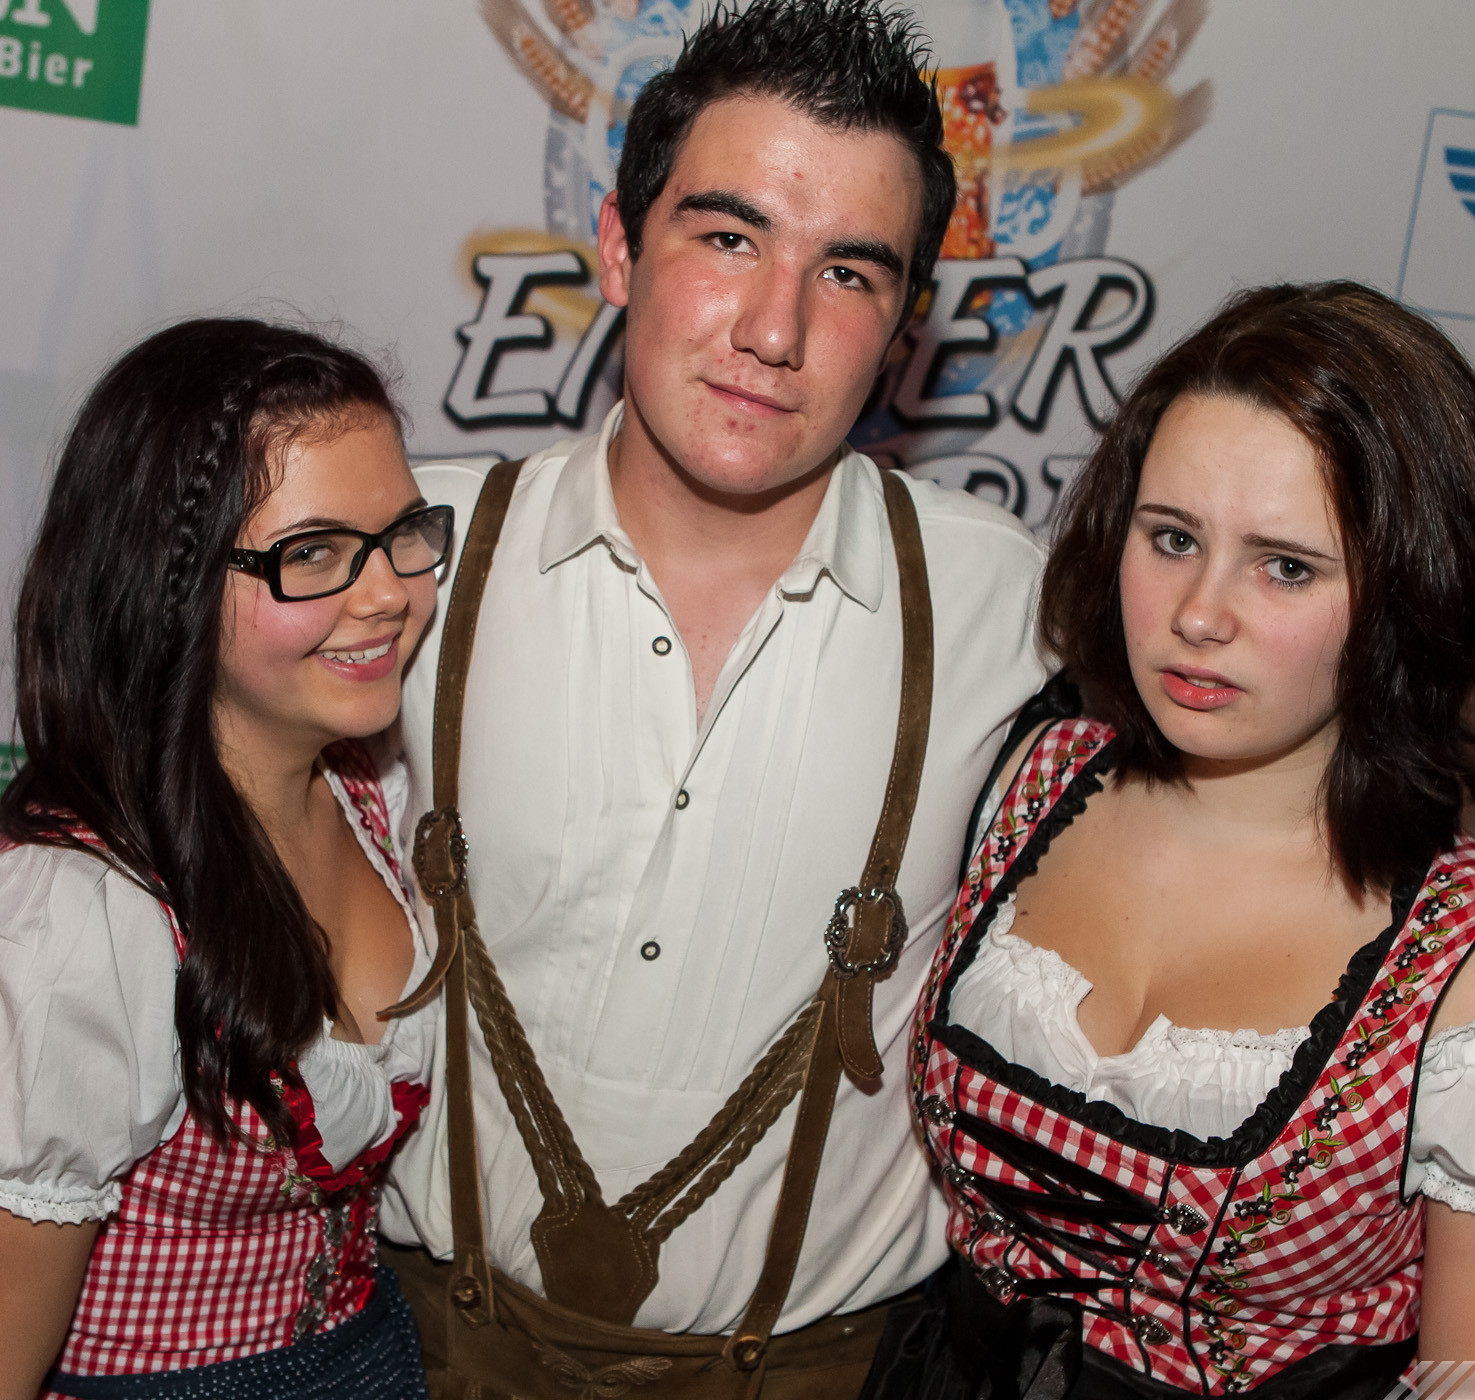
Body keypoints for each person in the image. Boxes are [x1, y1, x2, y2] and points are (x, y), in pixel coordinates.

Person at [375, 1, 1048, 1394]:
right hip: (414, 1349)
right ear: (620, 248)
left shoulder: (1017, 614)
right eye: (729, 238)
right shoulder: (405, 555)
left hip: (820, 1374)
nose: (774, 328)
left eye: (848, 272)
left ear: (903, 328)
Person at [895, 281, 1475, 1397]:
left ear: (1409, 595)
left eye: (1286, 565)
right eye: (1172, 538)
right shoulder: (1026, 780)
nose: (1199, 613)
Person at [0, 319, 447, 1400]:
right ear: (166, 576)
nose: (385, 594)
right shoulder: (75, 925)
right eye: (312, 553)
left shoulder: (372, 785)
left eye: (402, 531)